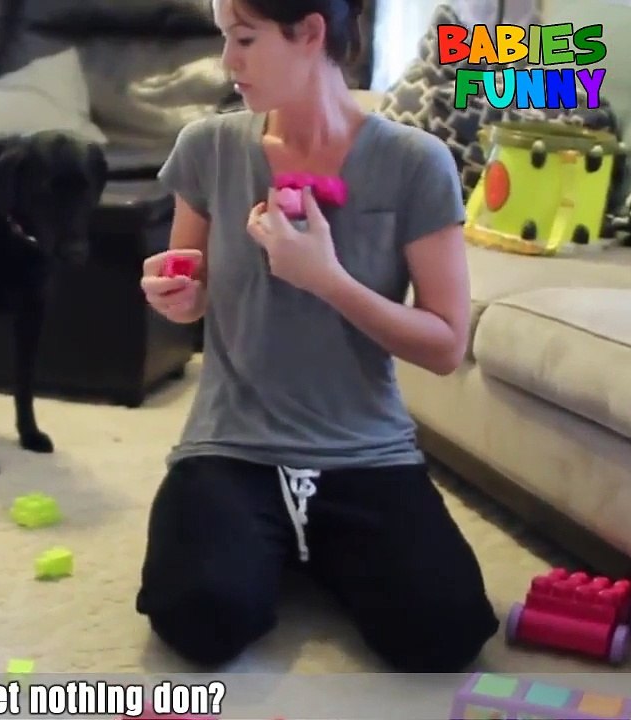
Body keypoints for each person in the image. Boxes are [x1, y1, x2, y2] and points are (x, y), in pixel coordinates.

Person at [136, 0, 499, 672]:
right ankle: (281, 545)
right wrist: (177, 294)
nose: (227, 62)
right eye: (225, 38)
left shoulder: (416, 163)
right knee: (199, 619)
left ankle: (302, 545)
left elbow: (447, 346)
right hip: (232, 444)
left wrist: (327, 279)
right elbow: (191, 301)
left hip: (366, 452)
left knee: (444, 632)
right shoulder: (208, 147)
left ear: (309, 32)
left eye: (244, 38)